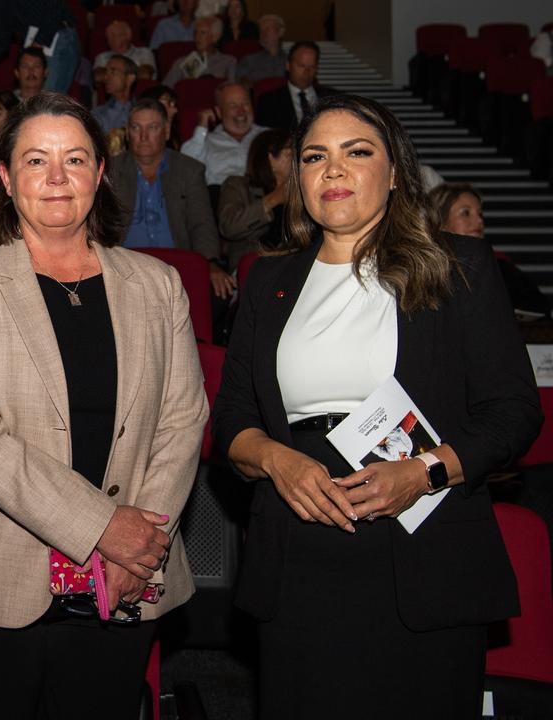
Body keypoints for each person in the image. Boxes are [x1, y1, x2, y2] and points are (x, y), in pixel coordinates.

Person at [211, 94, 541, 719]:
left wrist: (423, 471)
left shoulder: (457, 266)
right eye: (315, 157)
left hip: (423, 549)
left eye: (355, 152)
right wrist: (276, 461)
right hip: (298, 551)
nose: (332, 170)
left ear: (394, 173)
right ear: (297, 179)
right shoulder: (267, 280)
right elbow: (230, 417)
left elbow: (514, 412)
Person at [0, 91, 207, 719]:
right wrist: (105, 528)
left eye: (75, 159)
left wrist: (139, 541)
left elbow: (183, 420)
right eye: (36, 161)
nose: (58, 177)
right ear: (8, 180)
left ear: (100, 173)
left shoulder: (158, 285)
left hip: (126, 578)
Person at [111, 99, 233, 299]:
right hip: (124, 269)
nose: (143, 136)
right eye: (136, 127)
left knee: (216, 292)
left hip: (177, 269)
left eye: (152, 127)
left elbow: (201, 224)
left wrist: (209, 264)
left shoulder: (189, 170)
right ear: (127, 132)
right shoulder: (111, 171)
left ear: (166, 131)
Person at [427, 182, 551, 318]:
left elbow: (538, 306)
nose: (479, 220)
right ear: (440, 220)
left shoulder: (500, 266)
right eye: (466, 213)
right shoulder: (427, 270)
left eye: (480, 213)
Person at [0, 1, 80, 95]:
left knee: (47, 101)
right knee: (33, 101)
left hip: (57, 36)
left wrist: (35, 48)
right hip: (33, 42)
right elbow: (0, 42)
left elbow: (54, 8)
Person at [217, 126, 291, 268]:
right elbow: (229, 227)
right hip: (254, 266)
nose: (299, 159)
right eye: (291, 153)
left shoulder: (304, 190)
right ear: (270, 158)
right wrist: (272, 200)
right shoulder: (238, 185)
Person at [181, 80, 266, 187]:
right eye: (233, 106)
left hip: (263, 196)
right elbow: (183, 168)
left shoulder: (268, 136)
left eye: (245, 104)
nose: (241, 111)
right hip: (221, 196)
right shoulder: (206, 143)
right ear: (219, 112)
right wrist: (201, 127)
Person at [254, 41, 337, 132]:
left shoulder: (331, 98)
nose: (307, 72)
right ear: (288, 66)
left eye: (312, 66)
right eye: (301, 66)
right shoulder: (269, 101)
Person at [162, 15, 235, 86]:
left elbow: (233, 90)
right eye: (196, 32)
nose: (197, 37)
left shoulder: (228, 62)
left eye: (202, 33)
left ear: (215, 37)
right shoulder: (182, 62)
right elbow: (165, 89)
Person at [92, 54, 137, 135]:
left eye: (113, 71)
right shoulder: (97, 115)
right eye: (106, 72)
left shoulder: (141, 112)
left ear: (130, 78)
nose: (106, 77)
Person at [235, 13, 286, 83]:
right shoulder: (249, 60)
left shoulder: (291, 60)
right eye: (261, 31)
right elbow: (239, 84)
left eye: (268, 29)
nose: (264, 34)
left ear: (280, 32)